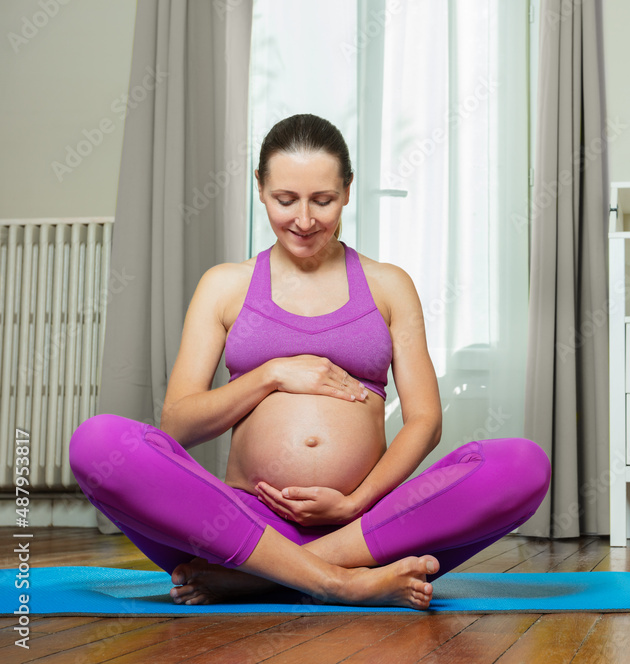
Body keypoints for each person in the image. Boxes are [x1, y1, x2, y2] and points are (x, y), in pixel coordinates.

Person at [69, 113, 551, 610]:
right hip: (240, 523)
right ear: (260, 189)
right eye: (285, 200)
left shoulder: (388, 285)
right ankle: (336, 582)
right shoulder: (225, 285)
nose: (304, 219)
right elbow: (178, 424)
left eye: (322, 200)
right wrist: (271, 374)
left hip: (368, 528)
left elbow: (425, 421)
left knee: (523, 465)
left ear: (346, 191)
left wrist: (355, 502)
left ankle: (264, 578)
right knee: (97, 443)